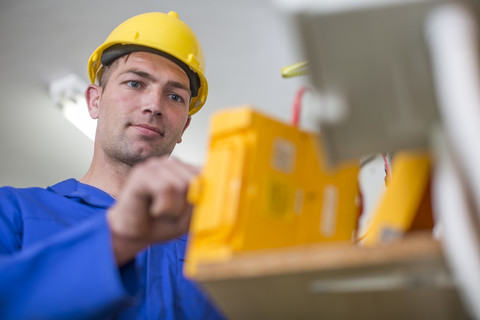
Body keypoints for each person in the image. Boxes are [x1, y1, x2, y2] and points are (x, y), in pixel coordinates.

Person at [0, 11, 226, 320]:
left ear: (185, 127)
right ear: (94, 101)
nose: (154, 105)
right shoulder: (13, 212)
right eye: (134, 83)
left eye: (174, 96)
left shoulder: (218, 243)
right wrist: (118, 238)